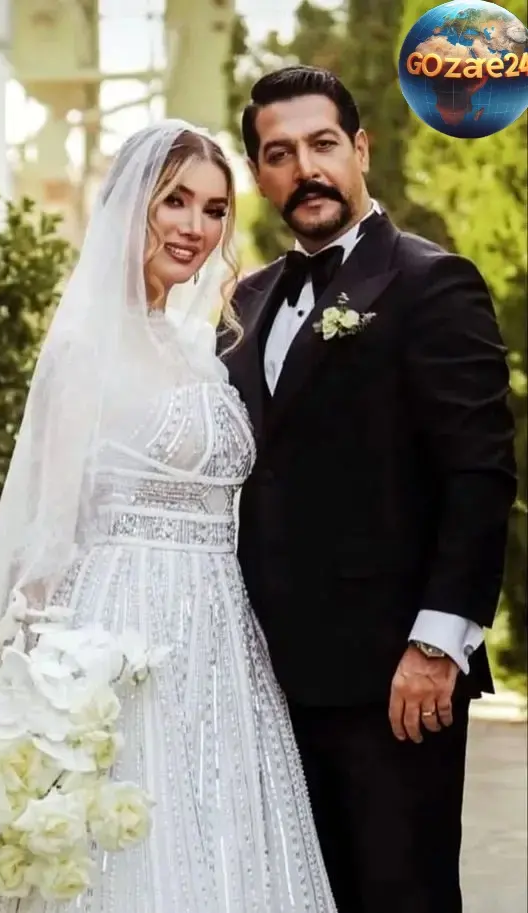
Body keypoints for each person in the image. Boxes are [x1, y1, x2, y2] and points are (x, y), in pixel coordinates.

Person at [0, 120, 337, 912]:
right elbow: (50, 526)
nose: (195, 226)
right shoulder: (85, 349)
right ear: (131, 206)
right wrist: (27, 689)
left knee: (216, 846)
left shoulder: (200, 350)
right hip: (117, 634)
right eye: (174, 200)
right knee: (100, 844)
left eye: (214, 209)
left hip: (220, 645)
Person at [222, 65, 517, 913]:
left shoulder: (433, 282)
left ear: (360, 148)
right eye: (280, 153)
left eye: (322, 144)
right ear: (260, 173)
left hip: (393, 678)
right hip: (265, 679)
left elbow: (479, 474)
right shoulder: (245, 301)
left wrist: (436, 646)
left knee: (400, 896)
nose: (305, 169)